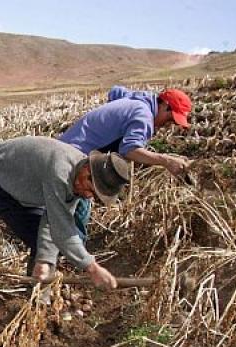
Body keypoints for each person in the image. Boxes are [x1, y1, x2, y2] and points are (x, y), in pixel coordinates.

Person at [0, 136, 131, 331]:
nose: (88, 196)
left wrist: (44, 261)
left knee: (43, 248)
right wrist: (92, 267)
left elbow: (52, 222)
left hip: (20, 195)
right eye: (91, 190)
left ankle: (38, 307)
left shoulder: (77, 183)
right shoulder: (60, 171)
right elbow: (62, 230)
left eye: (94, 196)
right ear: (87, 170)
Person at [59, 87, 193, 241]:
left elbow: (115, 91)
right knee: (79, 209)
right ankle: (74, 255)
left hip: (66, 149)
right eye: (170, 119)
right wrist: (166, 161)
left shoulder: (134, 102)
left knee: (62, 208)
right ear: (164, 105)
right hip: (75, 159)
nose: (168, 125)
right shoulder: (143, 115)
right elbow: (130, 150)